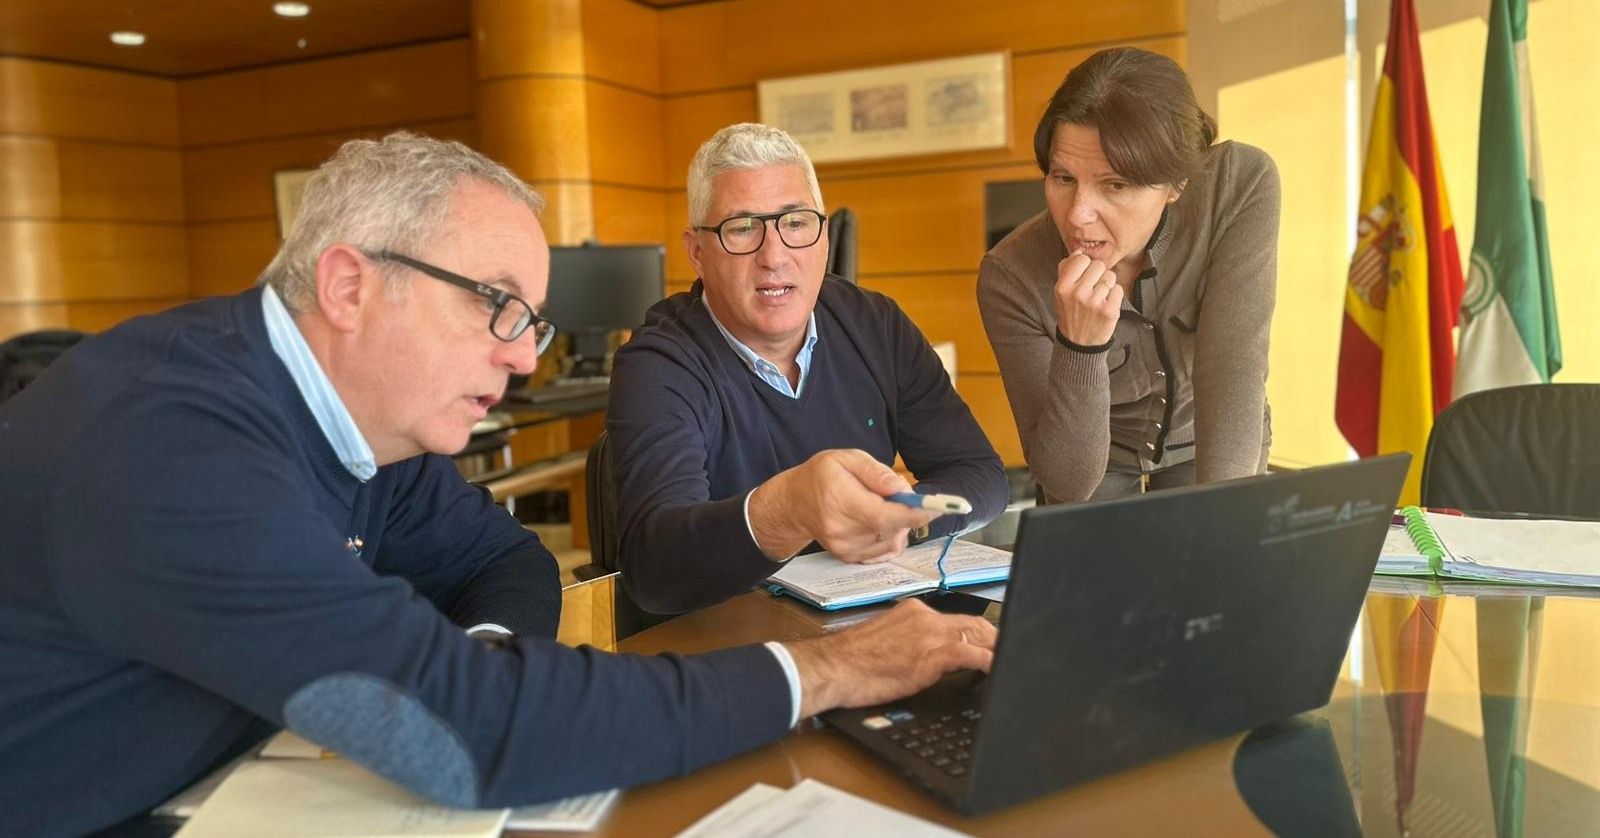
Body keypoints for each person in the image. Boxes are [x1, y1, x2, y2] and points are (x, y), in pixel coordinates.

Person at [0, 132, 998, 838]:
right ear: (350, 285)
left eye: (531, 322)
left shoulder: (361, 429)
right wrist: (831, 670)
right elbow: (462, 734)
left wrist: (479, 656)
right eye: (497, 308)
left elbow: (505, 558)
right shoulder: (175, 445)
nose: (524, 362)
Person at [607, 123, 1009, 615]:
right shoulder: (659, 363)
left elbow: (981, 475)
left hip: (868, 623)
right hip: (734, 649)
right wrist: (790, 510)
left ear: (822, 237)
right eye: (742, 228)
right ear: (698, 253)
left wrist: (904, 516)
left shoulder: (875, 323)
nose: (774, 257)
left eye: (795, 223)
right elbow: (656, 567)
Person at [977, 47, 1280, 504]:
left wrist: (1226, 529)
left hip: (1208, 440)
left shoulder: (1238, 186)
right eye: (1063, 178)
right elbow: (1067, 485)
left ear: (1176, 185)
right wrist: (1080, 346)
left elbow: (1232, 370)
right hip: (1095, 461)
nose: (1078, 216)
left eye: (1114, 185)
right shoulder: (1009, 276)